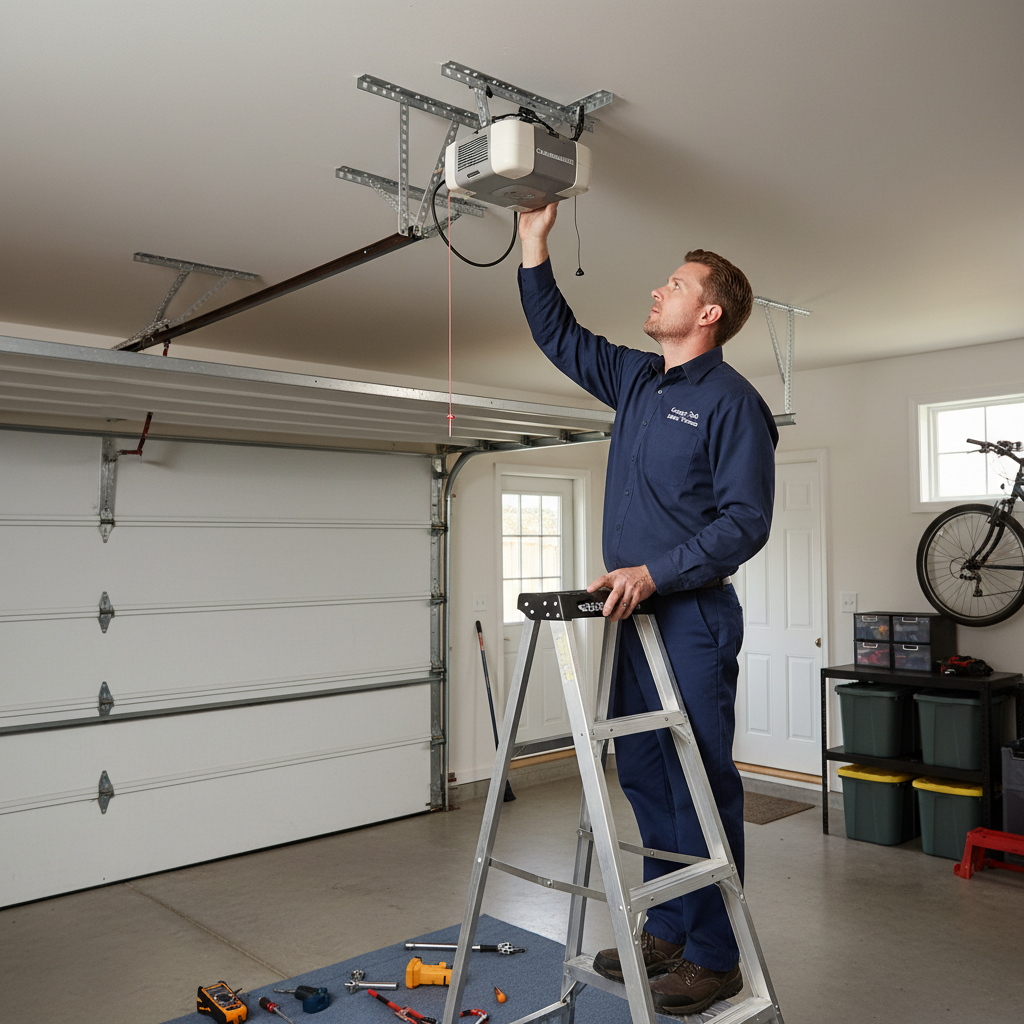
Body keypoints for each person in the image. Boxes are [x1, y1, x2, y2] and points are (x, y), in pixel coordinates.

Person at [516, 203, 778, 1016]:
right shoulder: (636, 379)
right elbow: (559, 335)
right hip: (630, 619)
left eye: (675, 284)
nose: (658, 291)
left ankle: (716, 957)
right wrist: (533, 244)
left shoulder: (732, 402)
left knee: (698, 781)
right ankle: (669, 923)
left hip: (691, 620)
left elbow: (745, 522)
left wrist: (655, 572)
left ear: (709, 313)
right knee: (644, 774)